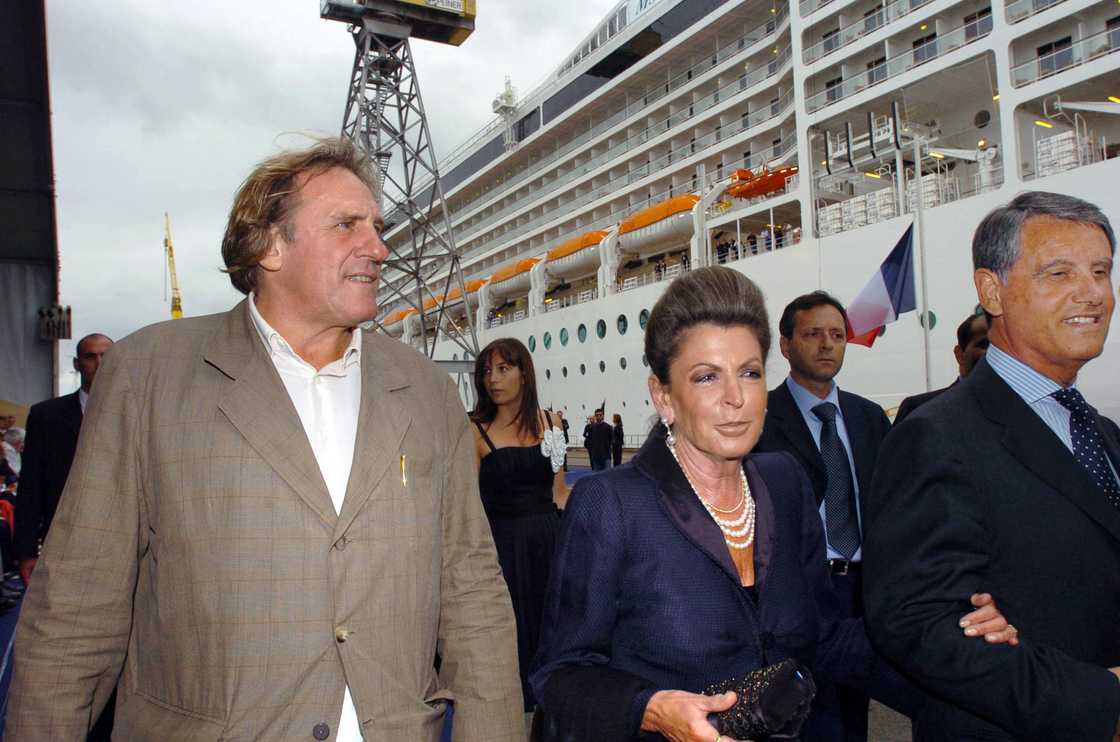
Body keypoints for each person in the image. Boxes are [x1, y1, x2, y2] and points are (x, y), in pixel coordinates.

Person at [6, 138, 523, 741]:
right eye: (347, 225)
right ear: (271, 245)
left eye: (377, 227)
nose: (380, 249)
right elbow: (75, 612)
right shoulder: (150, 375)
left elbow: (471, 593)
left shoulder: (427, 392)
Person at [530, 267, 1016, 742]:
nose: (736, 398)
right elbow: (560, 673)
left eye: (750, 372)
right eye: (705, 378)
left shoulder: (784, 482)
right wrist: (653, 710)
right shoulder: (612, 504)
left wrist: (955, 647)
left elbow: (824, 636)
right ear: (664, 396)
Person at [864, 191, 1120, 741]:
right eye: (1059, 273)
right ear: (991, 290)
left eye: (1101, 270)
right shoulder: (934, 436)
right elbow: (918, 622)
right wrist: (1105, 704)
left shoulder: (1104, 435)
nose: (1093, 292)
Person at [754, 291, 890, 742]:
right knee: (797, 717)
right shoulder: (759, 419)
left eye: (837, 335)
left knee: (854, 716)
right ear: (787, 344)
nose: (828, 344)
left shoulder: (870, 419)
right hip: (797, 591)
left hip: (862, 590)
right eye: (813, 334)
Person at [471, 338, 568, 714]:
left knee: (553, 636)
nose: (492, 379)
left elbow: (559, 493)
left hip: (550, 545)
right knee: (512, 642)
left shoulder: (550, 423)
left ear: (523, 373)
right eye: (486, 371)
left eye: (503, 369)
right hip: (503, 551)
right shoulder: (475, 431)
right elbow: (470, 507)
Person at [13, 332, 113, 585]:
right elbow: (31, 486)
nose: (99, 364)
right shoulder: (46, 415)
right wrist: (25, 552)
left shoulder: (140, 412)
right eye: (90, 357)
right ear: (77, 364)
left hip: (127, 542)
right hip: (63, 541)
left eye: (107, 356)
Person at [894, 311, 989, 422]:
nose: (998, 353)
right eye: (986, 344)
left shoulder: (1012, 406)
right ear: (960, 354)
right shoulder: (917, 409)